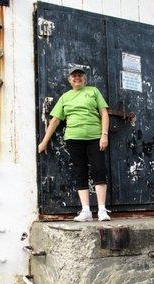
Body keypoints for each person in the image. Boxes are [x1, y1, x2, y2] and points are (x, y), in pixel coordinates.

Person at [38, 66, 110, 222]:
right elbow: (55, 120)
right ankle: (86, 211)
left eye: (80, 76)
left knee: (99, 169)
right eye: (74, 76)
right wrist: (44, 141)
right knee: (80, 172)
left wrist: (104, 135)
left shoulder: (93, 91)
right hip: (73, 139)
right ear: (69, 80)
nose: (77, 78)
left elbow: (104, 113)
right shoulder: (65, 97)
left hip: (94, 138)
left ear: (85, 79)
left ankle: (102, 210)